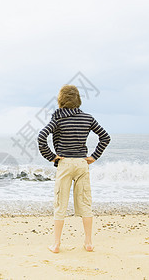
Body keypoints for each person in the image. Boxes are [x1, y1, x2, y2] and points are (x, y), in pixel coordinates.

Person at [37, 84, 111, 253]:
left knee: (60, 204)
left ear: (60, 100)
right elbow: (105, 137)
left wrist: (52, 157)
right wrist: (94, 156)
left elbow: (42, 137)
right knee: (85, 203)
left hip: (65, 164)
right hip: (81, 163)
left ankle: (56, 244)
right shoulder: (87, 118)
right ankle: (89, 243)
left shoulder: (57, 119)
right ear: (78, 100)